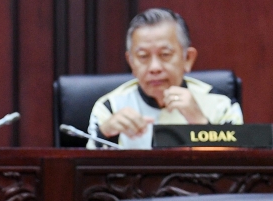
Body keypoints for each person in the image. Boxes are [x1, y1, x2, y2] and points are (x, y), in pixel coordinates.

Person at [87, 8, 243, 149]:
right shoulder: (110, 108)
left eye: (165, 55)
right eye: (143, 56)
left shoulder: (221, 106)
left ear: (188, 58)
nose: (155, 67)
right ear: (131, 63)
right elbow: (87, 175)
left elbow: (237, 168)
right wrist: (105, 133)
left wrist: (200, 123)